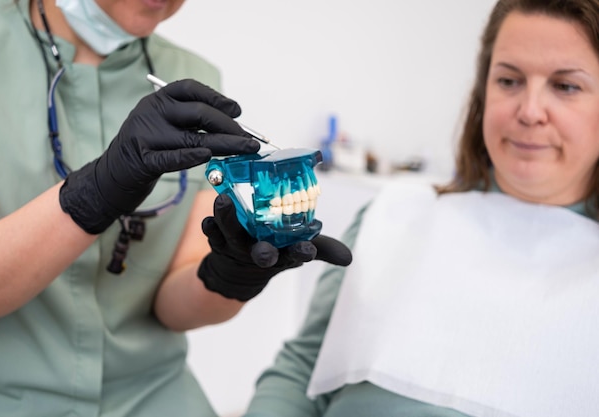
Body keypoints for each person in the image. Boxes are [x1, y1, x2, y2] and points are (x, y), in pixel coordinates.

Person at [0, 0, 352, 416]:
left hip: (152, 395)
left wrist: (230, 274)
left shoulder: (193, 80)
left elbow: (172, 309)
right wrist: (96, 192)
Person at [242, 0, 599, 416]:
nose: (530, 111)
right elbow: (301, 371)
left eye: (566, 86)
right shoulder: (395, 216)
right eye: (508, 80)